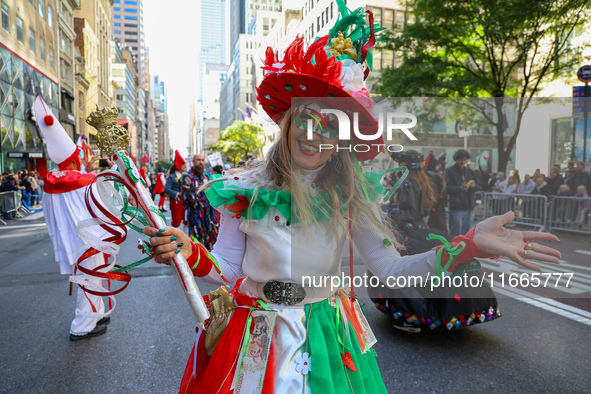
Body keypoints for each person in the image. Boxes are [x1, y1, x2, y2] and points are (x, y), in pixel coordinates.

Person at [142, 11, 560, 393]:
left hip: (326, 336)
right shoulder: (245, 190)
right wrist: (189, 251)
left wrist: (466, 245)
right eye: (305, 119)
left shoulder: (349, 199)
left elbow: (391, 272)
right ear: (288, 122)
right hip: (256, 333)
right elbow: (228, 268)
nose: (312, 134)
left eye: (328, 124)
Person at [34, 96, 112, 341]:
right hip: (89, 238)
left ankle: (96, 314)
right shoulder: (84, 180)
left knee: (90, 276)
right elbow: (102, 205)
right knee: (90, 278)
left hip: (71, 239)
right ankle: (81, 326)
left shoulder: (51, 183)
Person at [182, 154, 219, 249]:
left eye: (202, 160)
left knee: (211, 239)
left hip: (209, 214)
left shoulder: (208, 175)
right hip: (195, 214)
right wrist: (204, 190)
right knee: (197, 240)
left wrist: (202, 190)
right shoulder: (186, 176)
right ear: (193, 162)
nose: (201, 162)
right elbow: (188, 193)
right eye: (198, 160)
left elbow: (214, 189)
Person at [446, 149, 481, 237]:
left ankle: (465, 248)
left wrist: (473, 186)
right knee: (455, 230)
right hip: (456, 205)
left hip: (469, 205)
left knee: (468, 231)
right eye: (460, 160)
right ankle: (454, 248)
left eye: (464, 160)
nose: (463, 162)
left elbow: (479, 185)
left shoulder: (470, 171)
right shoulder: (449, 171)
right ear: (456, 159)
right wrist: (460, 188)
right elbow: (447, 188)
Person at [165, 150, 187, 228]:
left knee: (187, 221)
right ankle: (174, 239)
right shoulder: (171, 177)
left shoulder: (186, 176)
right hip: (176, 202)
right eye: (183, 164)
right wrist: (178, 194)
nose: (185, 166)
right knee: (176, 223)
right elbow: (166, 189)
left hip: (186, 202)